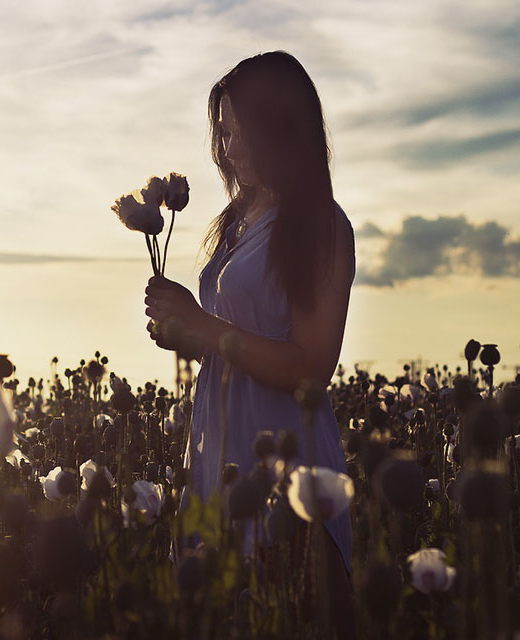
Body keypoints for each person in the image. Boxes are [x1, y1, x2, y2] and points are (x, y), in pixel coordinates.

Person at [143, 51, 356, 638]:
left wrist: (204, 327)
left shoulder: (320, 224)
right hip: (219, 457)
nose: (227, 149)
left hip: (288, 462)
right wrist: (186, 332)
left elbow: (312, 367)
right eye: (223, 132)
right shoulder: (236, 222)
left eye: (238, 132)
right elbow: (234, 335)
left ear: (279, 130)